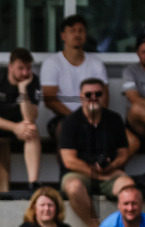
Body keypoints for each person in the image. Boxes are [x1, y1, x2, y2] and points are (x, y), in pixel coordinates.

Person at [59, 78, 136, 227]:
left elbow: (123, 153)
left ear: (104, 95)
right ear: (81, 96)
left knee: (128, 188)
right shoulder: (69, 122)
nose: (93, 97)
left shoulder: (114, 119)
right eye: (88, 94)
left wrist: (111, 166)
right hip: (79, 174)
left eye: (98, 94)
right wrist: (97, 174)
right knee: (73, 188)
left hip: (109, 172)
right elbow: (69, 161)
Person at [0, 47, 42, 192]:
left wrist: (23, 89)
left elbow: (30, 117)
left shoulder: (33, 81)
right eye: (20, 68)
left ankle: (33, 183)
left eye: (28, 68)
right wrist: (14, 127)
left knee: (32, 129)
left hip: (20, 127)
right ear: (10, 67)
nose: (25, 73)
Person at [41, 14, 109, 142]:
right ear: (63, 36)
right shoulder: (52, 63)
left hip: (94, 116)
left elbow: (104, 97)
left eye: (81, 30)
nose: (77, 34)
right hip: (63, 117)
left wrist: (93, 118)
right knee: (65, 129)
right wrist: (77, 119)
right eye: (72, 31)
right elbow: (50, 100)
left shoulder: (96, 63)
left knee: (121, 135)